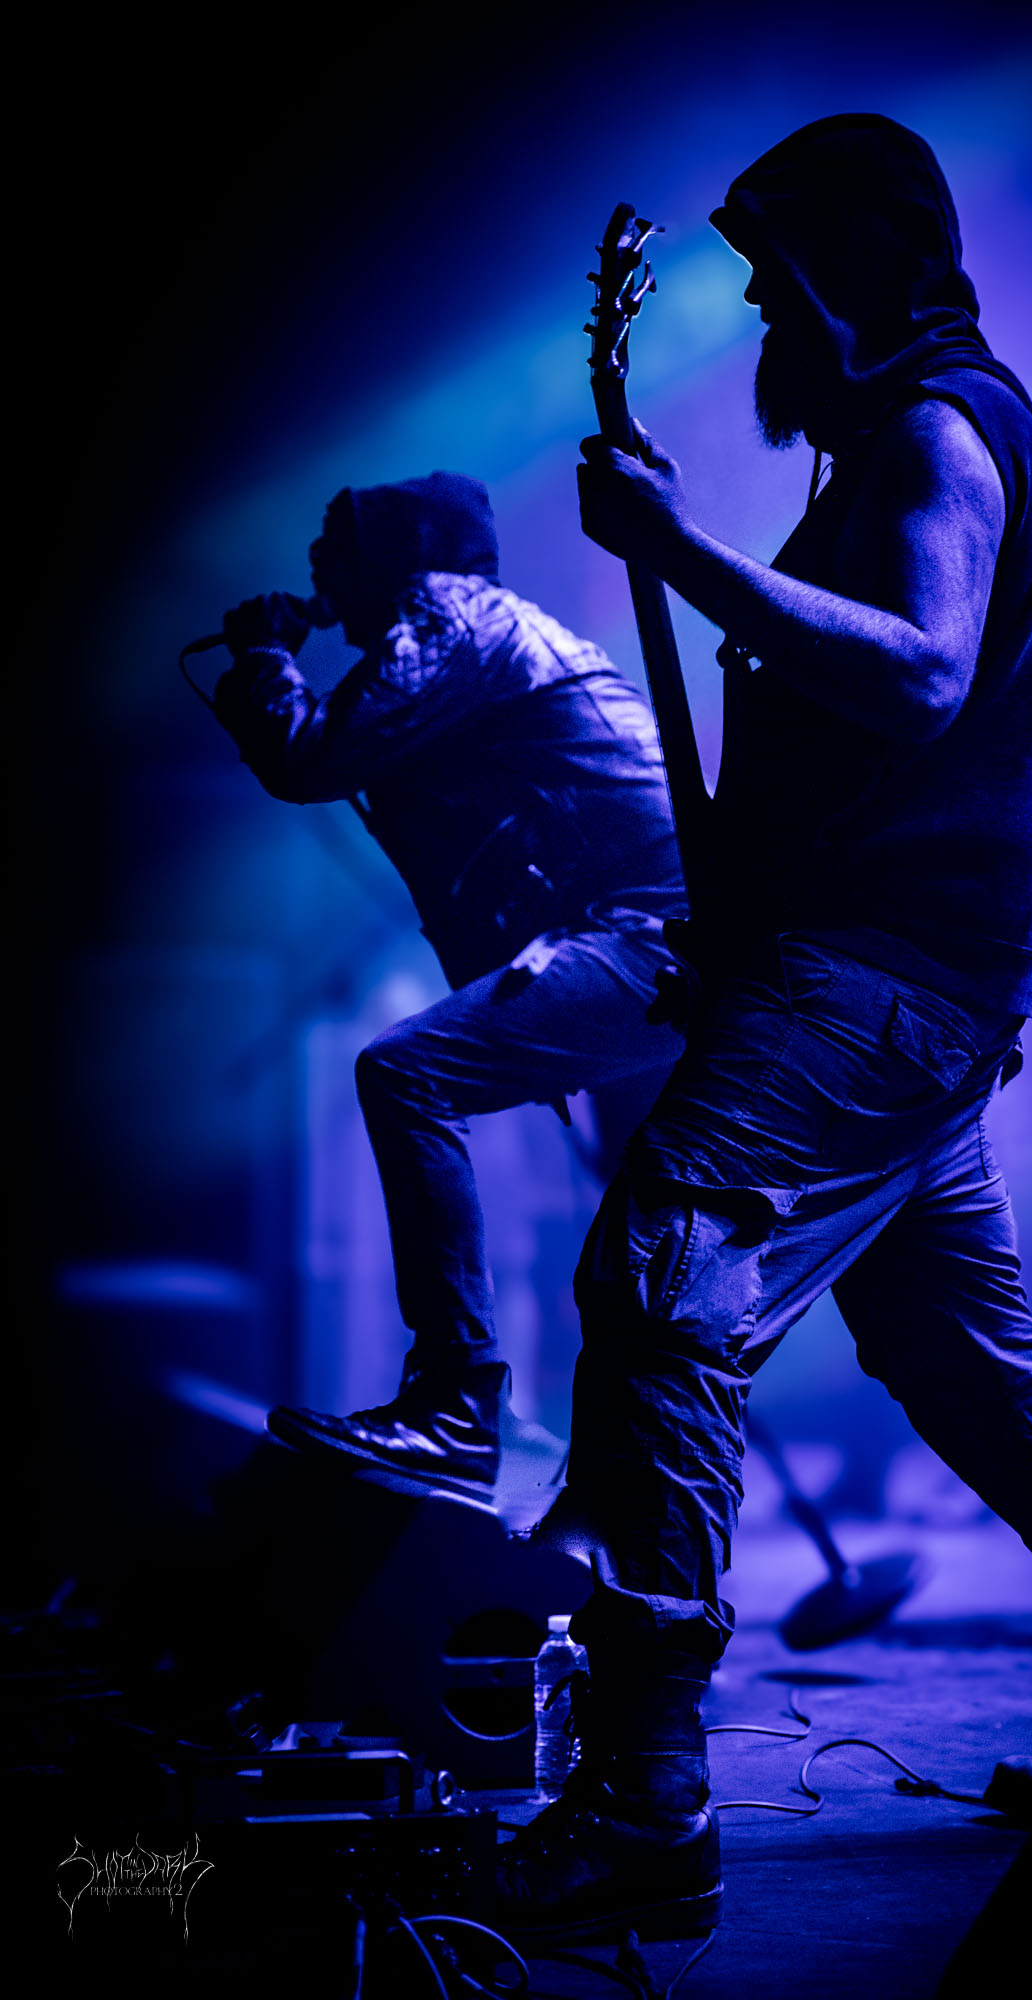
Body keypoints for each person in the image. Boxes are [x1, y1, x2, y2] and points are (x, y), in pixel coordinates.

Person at [494, 115, 1032, 1942]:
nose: (760, 323)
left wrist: (675, 546)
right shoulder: (917, 435)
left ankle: (644, 1799)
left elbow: (915, 675)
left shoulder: (935, 431)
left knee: (659, 1272)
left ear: (862, 262)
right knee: (964, 1353)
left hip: (878, 986)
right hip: (895, 988)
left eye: (774, 284)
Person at [209, 471, 686, 1504]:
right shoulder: (478, 625)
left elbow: (308, 756)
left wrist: (263, 658)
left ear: (401, 552)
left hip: (641, 938)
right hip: (663, 940)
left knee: (406, 1073)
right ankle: (640, 1478)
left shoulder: (448, 614)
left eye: (337, 544)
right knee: (642, 1233)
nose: (317, 566)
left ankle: (457, 1402)